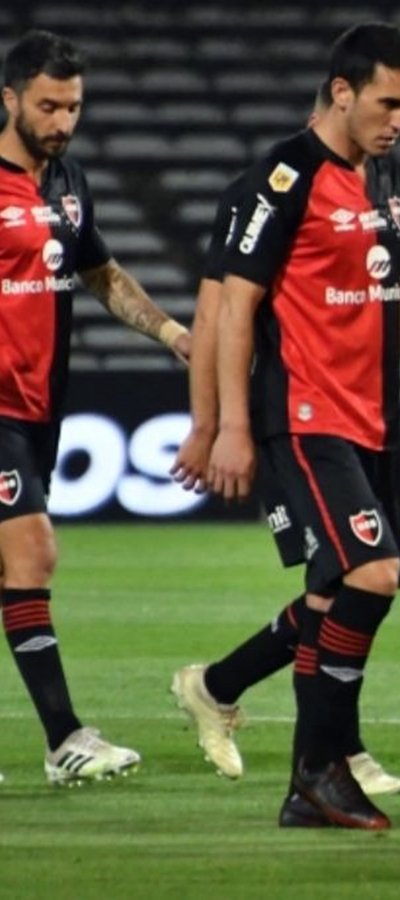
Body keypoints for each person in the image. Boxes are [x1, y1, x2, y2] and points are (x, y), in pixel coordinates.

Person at [207, 22, 400, 830]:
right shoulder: (282, 179)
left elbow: (394, 295)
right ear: (341, 91)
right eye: (389, 103)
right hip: (305, 415)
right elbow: (234, 309)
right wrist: (228, 426)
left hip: (372, 419)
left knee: (337, 594)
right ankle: (322, 768)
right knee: (372, 575)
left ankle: (301, 773)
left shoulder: (385, 175)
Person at [0, 30, 191, 785]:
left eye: (73, 106)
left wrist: (172, 330)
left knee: (11, 569)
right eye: (48, 106)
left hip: (40, 406)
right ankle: (65, 740)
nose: (62, 121)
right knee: (33, 553)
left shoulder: (67, 179)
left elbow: (100, 273)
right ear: (9, 99)